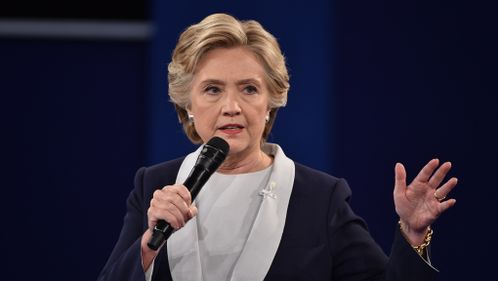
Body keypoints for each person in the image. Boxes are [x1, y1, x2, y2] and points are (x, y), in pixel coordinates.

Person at [98, 13, 458, 281]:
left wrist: (412, 236)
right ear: (187, 104)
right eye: (212, 89)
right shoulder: (154, 185)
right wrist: (148, 245)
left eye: (249, 89)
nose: (231, 106)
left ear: (271, 101)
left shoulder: (320, 197)